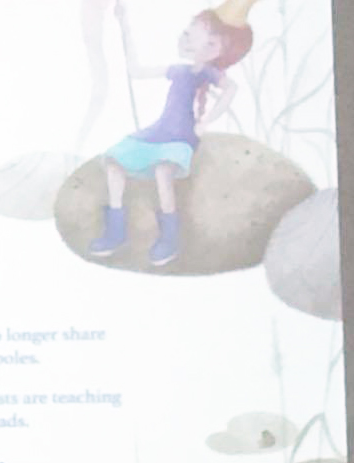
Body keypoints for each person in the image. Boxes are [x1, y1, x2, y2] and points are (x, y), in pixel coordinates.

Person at [88, 4, 253, 266]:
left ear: (213, 48)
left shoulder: (205, 73)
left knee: (163, 170)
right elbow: (136, 71)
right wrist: (125, 26)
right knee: (114, 161)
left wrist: (207, 120)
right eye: (186, 31)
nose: (183, 36)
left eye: (190, 34)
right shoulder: (179, 70)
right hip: (158, 131)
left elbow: (231, 88)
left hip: (180, 136)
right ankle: (116, 231)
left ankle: (170, 237)